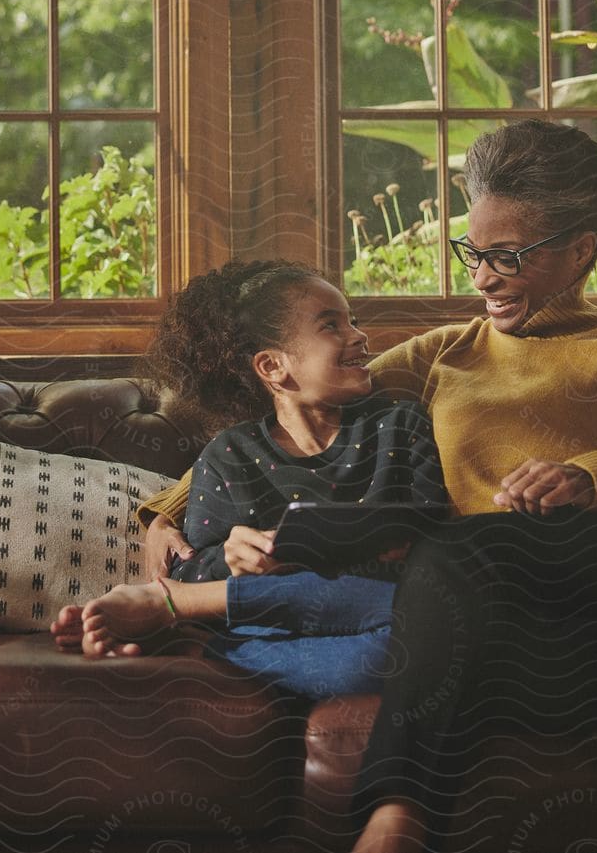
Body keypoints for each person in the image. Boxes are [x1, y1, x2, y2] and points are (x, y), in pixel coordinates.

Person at [56, 120, 597, 852]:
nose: (480, 275)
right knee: (444, 598)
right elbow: (290, 406)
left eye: (507, 255)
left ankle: (397, 816)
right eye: (472, 249)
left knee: (449, 548)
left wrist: (593, 480)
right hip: (501, 617)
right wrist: (167, 518)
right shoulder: (446, 353)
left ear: (580, 250)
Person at [77, 259, 448, 699]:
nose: (359, 336)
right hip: (281, 630)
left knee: (421, 628)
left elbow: (438, 526)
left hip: (386, 612)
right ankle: (207, 629)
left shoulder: (401, 425)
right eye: (332, 326)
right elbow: (192, 566)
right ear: (272, 366)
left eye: (354, 321)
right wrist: (231, 559)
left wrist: (411, 543)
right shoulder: (230, 455)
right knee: (409, 644)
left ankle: (179, 622)